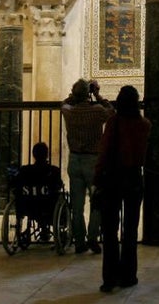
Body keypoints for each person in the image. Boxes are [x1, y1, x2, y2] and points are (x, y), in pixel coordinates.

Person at [94, 85, 151, 294]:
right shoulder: (145, 125)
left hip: (113, 178)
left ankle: (109, 278)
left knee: (110, 231)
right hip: (134, 177)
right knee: (130, 230)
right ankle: (129, 276)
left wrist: (98, 177)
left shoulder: (114, 123)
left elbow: (104, 150)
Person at [61, 78, 112, 254]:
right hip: (93, 161)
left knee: (77, 205)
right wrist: (97, 94)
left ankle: (79, 241)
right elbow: (111, 112)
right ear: (88, 93)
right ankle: (92, 238)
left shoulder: (68, 111)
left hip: (74, 160)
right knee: (97, 201)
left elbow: (64, 103)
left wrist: (73, 96)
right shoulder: (97, 110)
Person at [10, 142, 63, 234]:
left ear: (33, 155)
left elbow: (15, 185)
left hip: (28, 206)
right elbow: (59, 185)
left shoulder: (25, 170)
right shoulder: (53, 171)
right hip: (48, 206)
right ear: (47, 155)